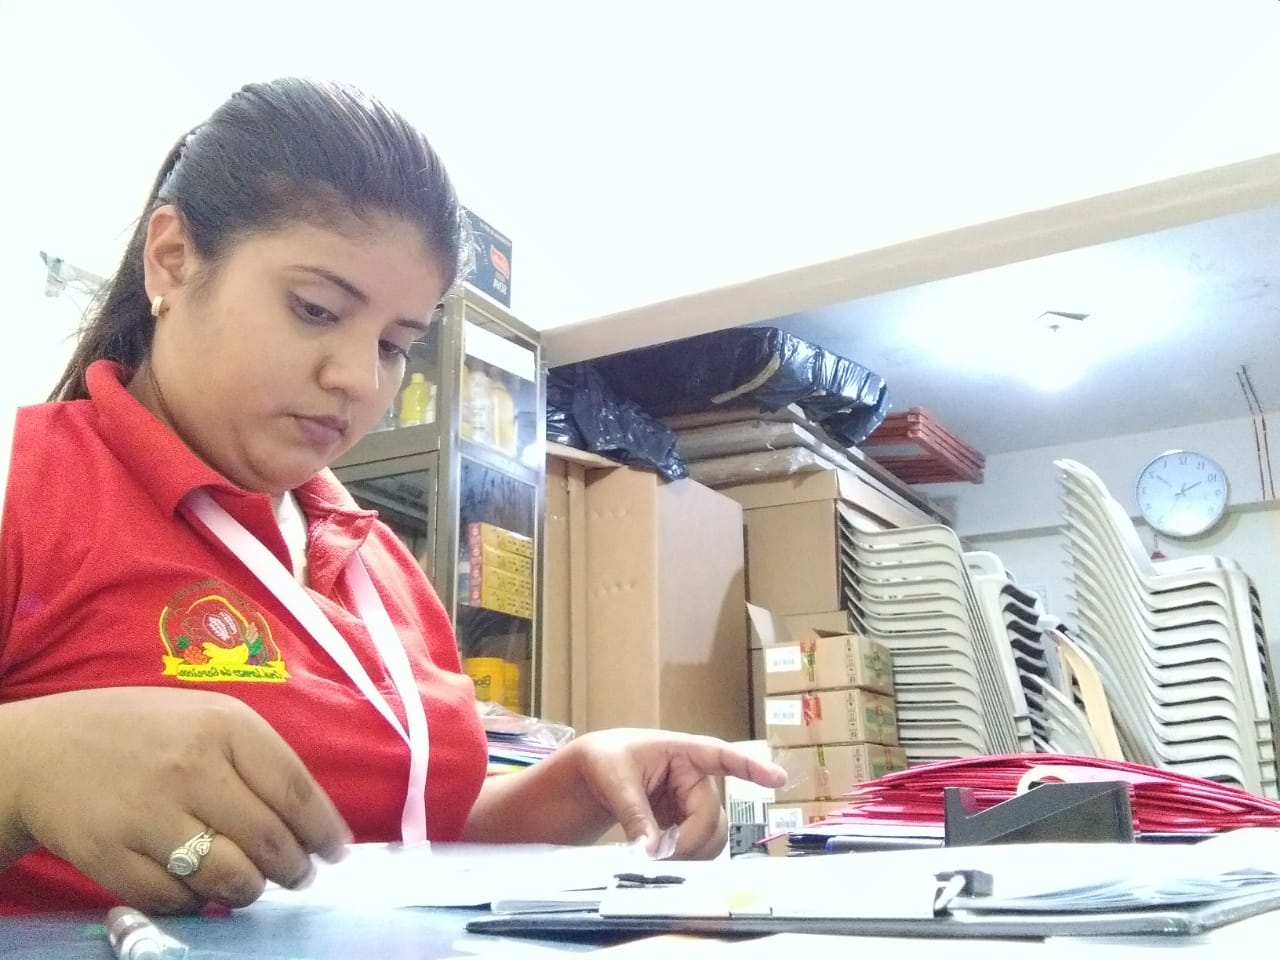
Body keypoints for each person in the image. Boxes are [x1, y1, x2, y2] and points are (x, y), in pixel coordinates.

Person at [0, 77, 786, 916]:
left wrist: (577, 780)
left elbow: (398, 841)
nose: (356, 377)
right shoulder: (28, 485)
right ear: (172, 258)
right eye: (315, 309)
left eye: (393, 344)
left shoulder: (373, 560)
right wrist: (22, 766)